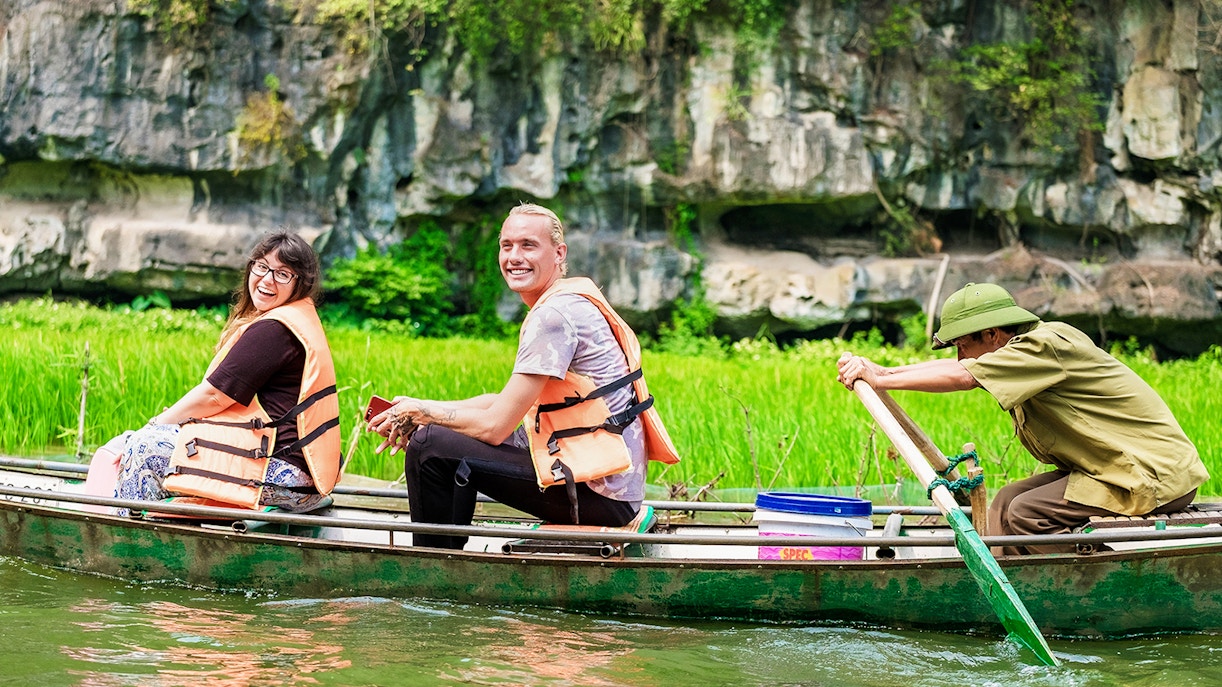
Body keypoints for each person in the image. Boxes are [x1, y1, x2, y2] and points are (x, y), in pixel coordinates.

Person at [368, 203, 680, 549]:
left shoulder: (554, 316)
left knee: (430, 445)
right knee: (435, 434)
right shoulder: (566, 303)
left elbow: (495, 426)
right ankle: (447, 557)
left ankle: (434, 571)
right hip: (603, 485)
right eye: (507, 246)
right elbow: (502, 405)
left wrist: (423, 415)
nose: (514, 256)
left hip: (598, 495)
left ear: (559, 253)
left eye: (528, 245)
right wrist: (420, 407)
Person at [836, 282, 1208, 555]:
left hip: (1153, 474)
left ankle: (1087, 583)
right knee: (1006, 501)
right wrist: (881, 370)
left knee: (1027, 512)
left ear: (992, 334)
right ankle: (1003, 580)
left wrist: (882, 377)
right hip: (1113, 469)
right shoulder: (1019, 357)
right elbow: (960, 367)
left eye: (963, 344)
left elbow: (964, 376)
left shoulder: (1045, 344)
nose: (960, 354)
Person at [111, 231, 342, 514]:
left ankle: (128, 542)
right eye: (262, 266)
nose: (267, 280)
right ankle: (173, 527)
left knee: (143, 446)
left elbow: (214, 396)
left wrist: (156, 424)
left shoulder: (275, 329)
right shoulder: (298, 318)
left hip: (282, 472)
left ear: (300, 283)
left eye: (283, 274)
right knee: (171, 438)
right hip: (301, 471)